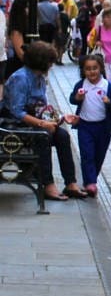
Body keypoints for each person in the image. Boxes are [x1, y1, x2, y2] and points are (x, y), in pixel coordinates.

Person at [1, 41, 84, 201]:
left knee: (62, 135)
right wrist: (42, 124)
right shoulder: (21, 78)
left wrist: (58, 119)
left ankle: (70, 183)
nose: (51, 66)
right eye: (49, 62)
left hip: (31, 122)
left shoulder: (39, 78)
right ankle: (48, 184)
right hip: (13, 125)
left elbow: (42, 108)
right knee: (43, 136)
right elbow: (17, 112)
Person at [68, 53, 111, 197]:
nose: (92, 72)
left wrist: (109, 102)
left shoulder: (107, 86)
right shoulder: (81, 85)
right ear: (83, 71)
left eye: (95, 68)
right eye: (88, 69)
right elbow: (72, 98)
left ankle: (92, 178)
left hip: (103, 127)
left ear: (101, 69)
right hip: (85, 125)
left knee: (99, 155)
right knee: (87, 154)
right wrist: (78, 98)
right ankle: (90, 182)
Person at [89, 7, 111, 82]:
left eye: (108, 17)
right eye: (104, 17)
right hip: (102, 61)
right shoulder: (99, 28)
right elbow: (90, 39)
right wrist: (96, 43)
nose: (106, 19)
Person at [5, 0, 30, 81]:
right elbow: (20, 53)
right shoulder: (16, 29)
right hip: (16, 69)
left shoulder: (24, 25)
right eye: (27, 7)